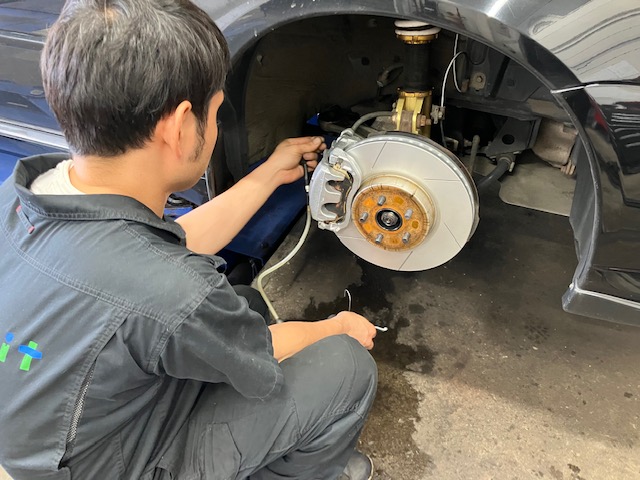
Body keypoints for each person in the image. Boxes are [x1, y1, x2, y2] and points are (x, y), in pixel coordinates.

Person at [0, 0, 378, 479]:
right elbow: (239, 338)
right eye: (217, 114)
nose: (217, 127)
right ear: (180, 127)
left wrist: (266, 175)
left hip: (54, 433)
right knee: (344, 369)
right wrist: (335, 328)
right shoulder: (170, 290)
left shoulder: (24, 197)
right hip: (100, 467)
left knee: (243, 302)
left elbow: (162, 255)